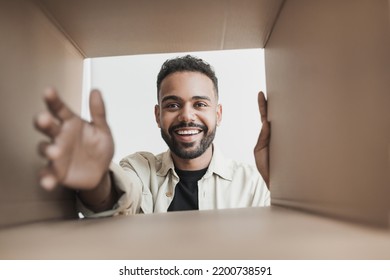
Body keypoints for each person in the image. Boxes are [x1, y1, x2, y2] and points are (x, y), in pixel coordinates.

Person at [34, 55, 271, 217]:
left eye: (199, 104)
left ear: (218, 114)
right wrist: (96, 178)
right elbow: (117, 199)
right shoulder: (139, 169)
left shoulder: (253, 184)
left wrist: (279, 183)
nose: (187, 116)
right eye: (172, 105)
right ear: (158, 115)